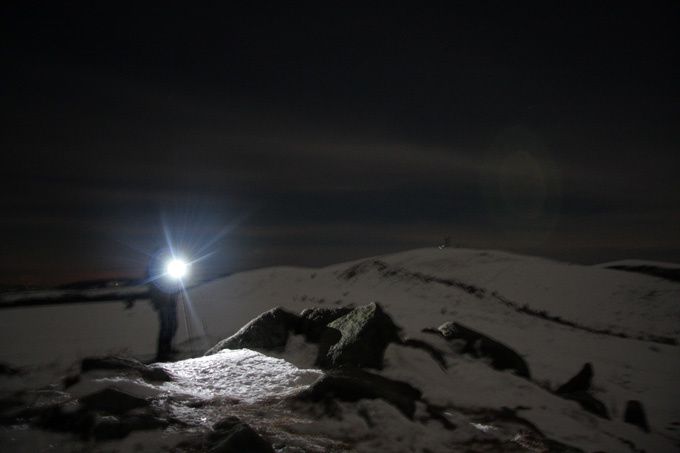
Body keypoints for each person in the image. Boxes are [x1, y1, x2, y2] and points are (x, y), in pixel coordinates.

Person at [146, 249, 180, 361]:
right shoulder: (154, 269)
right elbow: (154, 287)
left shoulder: (167, 267)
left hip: (170, 301)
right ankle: (162, 353)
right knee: (166, 326)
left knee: (173, 325)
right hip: (162, 302)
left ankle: (168, 348)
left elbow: (173, 283)